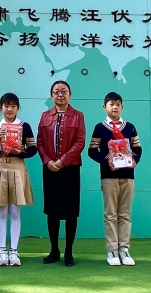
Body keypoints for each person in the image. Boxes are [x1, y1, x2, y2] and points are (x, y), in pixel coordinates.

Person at [87, 92, 142, 267]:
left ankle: (124, 249)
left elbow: (137, 149)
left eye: (118, 104)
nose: (115, 107)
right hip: (109, 176)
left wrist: (134, 160)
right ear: (104, 107)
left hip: (128, 176)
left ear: (122, 107)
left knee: (125, 215)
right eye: (111, 104)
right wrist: (106, 160)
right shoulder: (100, 128)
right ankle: (112, 250)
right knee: (110, 215)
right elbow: (92, 151)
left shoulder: (130, 127)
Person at [37, 80, 85, 267]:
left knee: (71, 212)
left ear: (70, 95)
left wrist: (63, 161)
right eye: (56, 92)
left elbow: (80, 142)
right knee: (52, 211)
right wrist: (48, 161)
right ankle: (54, 249)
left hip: (70, 169)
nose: (60, 95)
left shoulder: (78, 116)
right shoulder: (45, 116)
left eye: (64, 91)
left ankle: (69, 251)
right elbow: (40, 142)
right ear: (51, 96)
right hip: (50, 169)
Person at [0, 93, 36, 267]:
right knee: (2, 212)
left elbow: (33, 149)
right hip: (1, 167)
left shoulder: (24, 126)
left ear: (18, 108)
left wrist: (21, 151)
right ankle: (2, 251)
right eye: (6, 106)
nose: (9, 109)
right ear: (1, 108)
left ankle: (14, 251)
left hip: (17, 167)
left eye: (13, 106)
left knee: (15, 212)